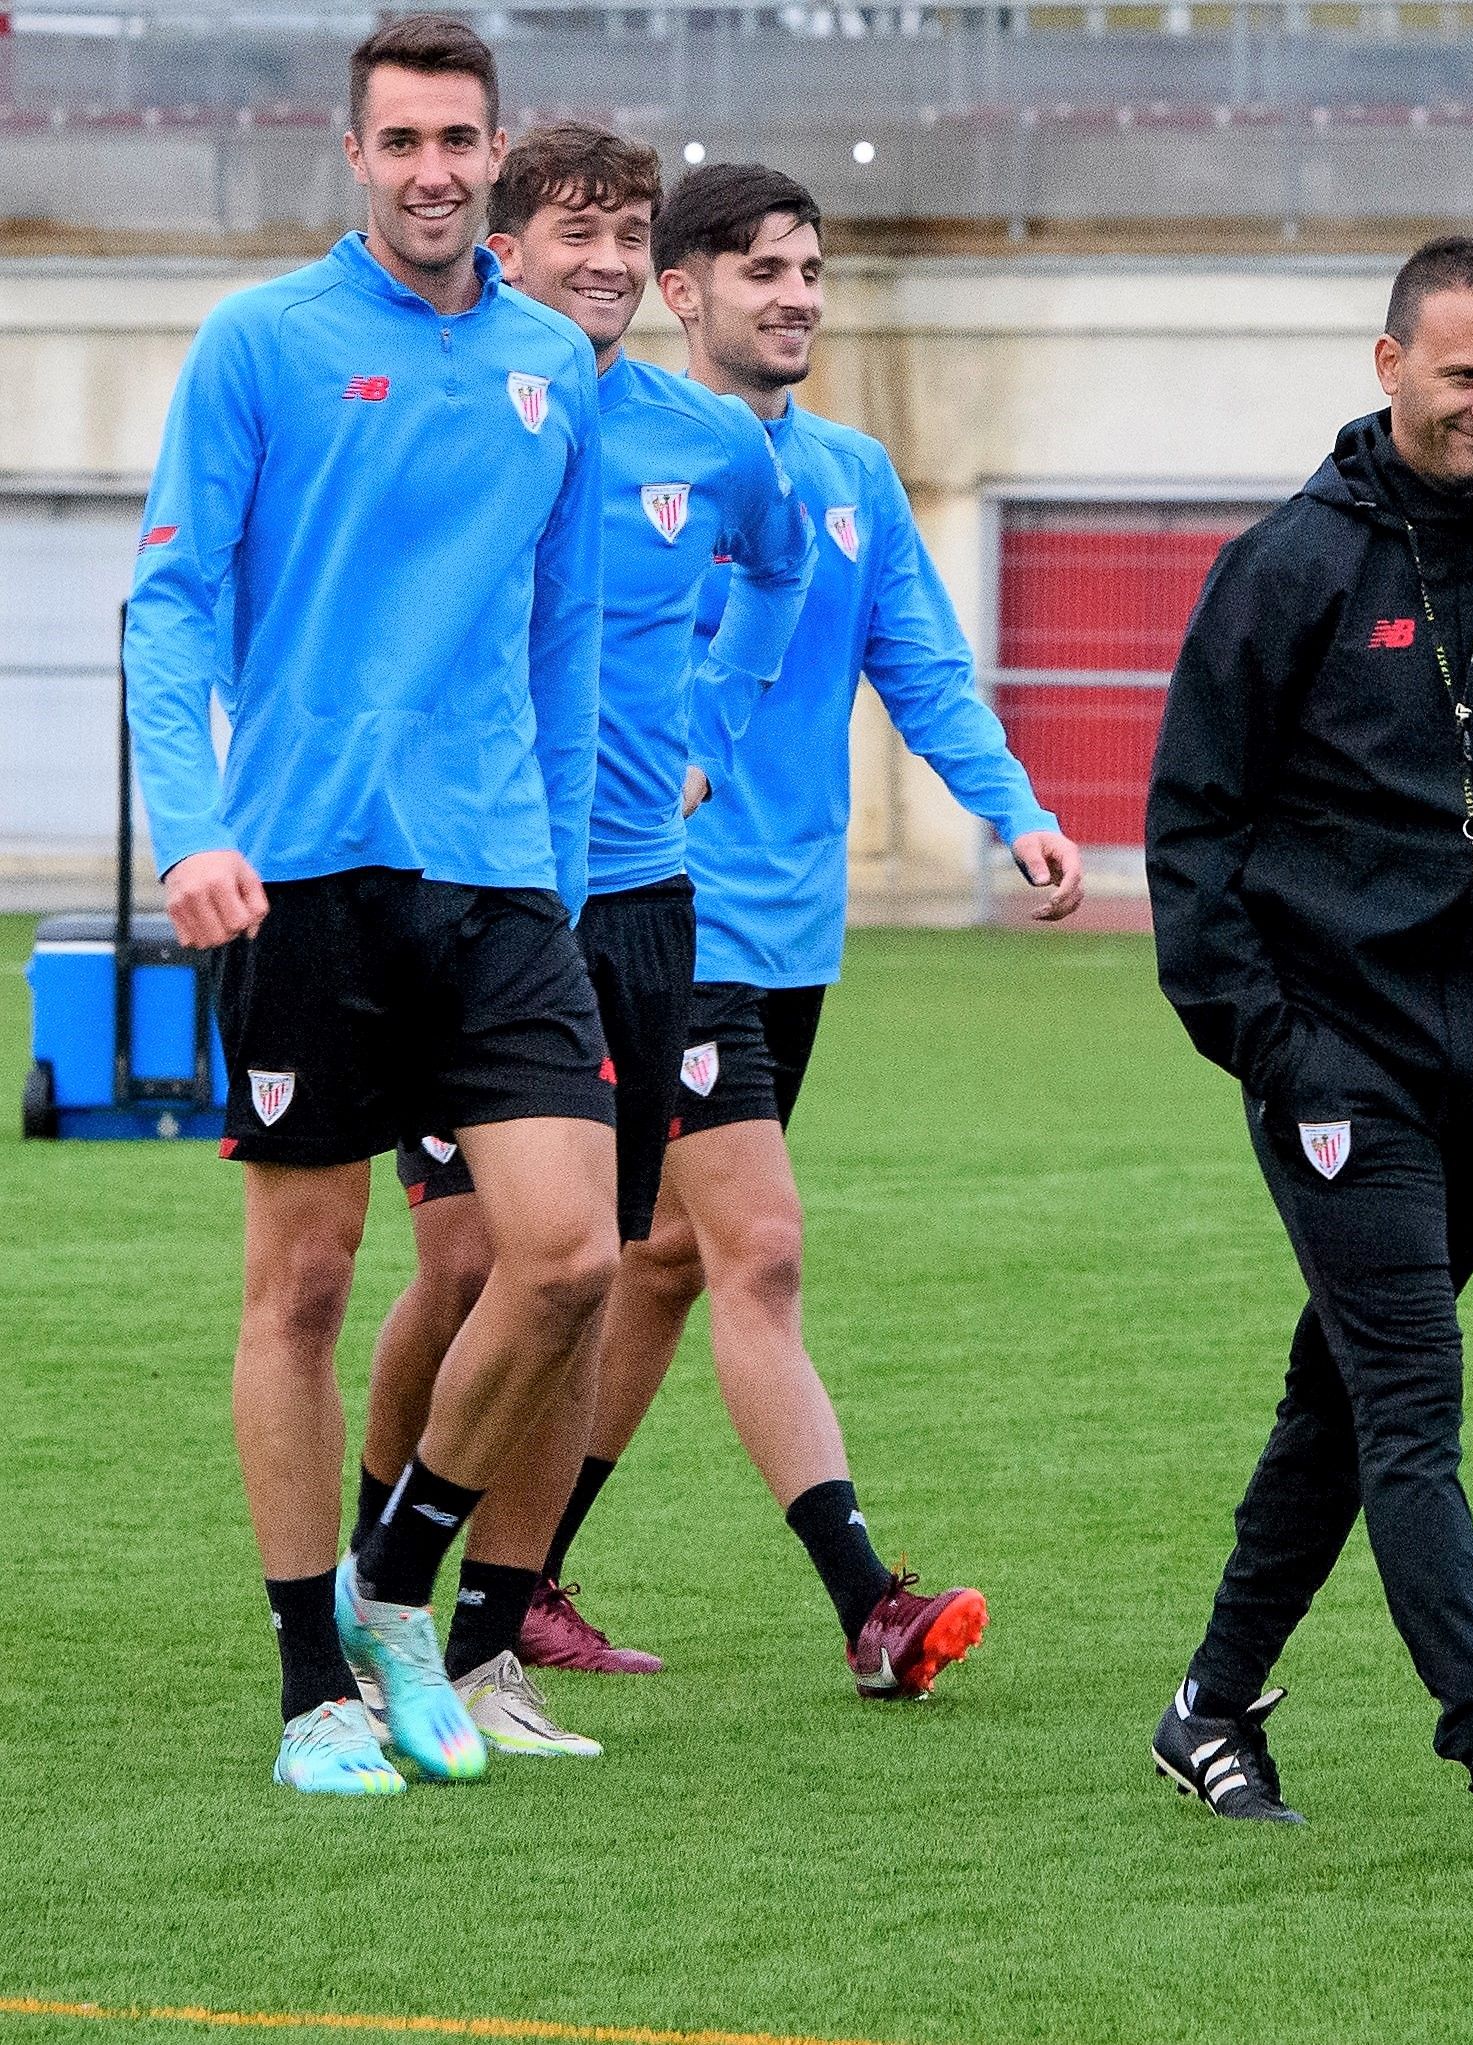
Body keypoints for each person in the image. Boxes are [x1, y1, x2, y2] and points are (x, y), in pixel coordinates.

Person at [124, 15, 614, 1797]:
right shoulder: (261, 343)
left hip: (494, 881)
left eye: (457, 139)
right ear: (356, 155)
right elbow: (171, 608)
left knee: (566, 1256)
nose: (432, 169)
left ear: (497, 154)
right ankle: (311, 1684)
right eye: (399, 140)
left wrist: (555, 871)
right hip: (300, 877)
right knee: (306, 1288)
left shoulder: (554, 360)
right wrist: (194, 827)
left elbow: (560, 645)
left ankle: (400, 1578)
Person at [1142, 235, 1473, 1860]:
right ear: (1390, 368)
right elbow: (1190, 831)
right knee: (1410, 1392)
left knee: (1344, 1395)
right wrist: (1273, 1048)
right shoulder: (1289, 566)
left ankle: (1209, 1704)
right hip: (1337, 1067)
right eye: (1465, 376)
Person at [554, 162, 1086, 1700]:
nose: (793, 294)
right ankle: (871, 1602)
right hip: (665, 921)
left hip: (792, 939)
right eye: (760, 270)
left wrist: (1013, 806)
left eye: (810, 269)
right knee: (761, 1251)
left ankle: (513, 1582)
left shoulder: (849, 480)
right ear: (684, 292)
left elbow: (920, 667)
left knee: (652, 1270)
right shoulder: (614, 460)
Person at [347, 121, 815, 1741]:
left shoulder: (712, 442)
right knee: (473, 1255)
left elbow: (776, 582)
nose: (606, 263)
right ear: (507, 244)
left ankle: (485, 1641)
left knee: (589, 1274)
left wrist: (723, 732)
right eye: (576, 236)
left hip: (634, 906)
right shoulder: (461, 404)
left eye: (629, 237)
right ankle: (370, 1561)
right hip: (458, 890)